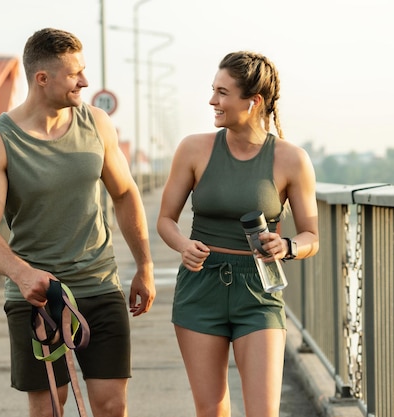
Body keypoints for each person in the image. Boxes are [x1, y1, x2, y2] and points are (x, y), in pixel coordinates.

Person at [0, 28, 156, 417]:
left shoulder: (97, 124)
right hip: (36, 296)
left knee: (111, 406)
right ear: (42, 79)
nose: (85, 82)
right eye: (75, 75)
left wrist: (145, 266)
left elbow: (124, 194)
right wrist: (21, 274)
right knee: (51, 407)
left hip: (100, 286)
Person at [156, 51, 319, 417]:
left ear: (253, 101)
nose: (212, 100)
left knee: (263, 412)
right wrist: (184, 245)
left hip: (259, 291)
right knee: (211, 411)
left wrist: (289, 246)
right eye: (213, 90)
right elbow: (165, 219)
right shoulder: (193, 149)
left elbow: (312, 236)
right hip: (201, 286)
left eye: (222, 92)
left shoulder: (291, 159)